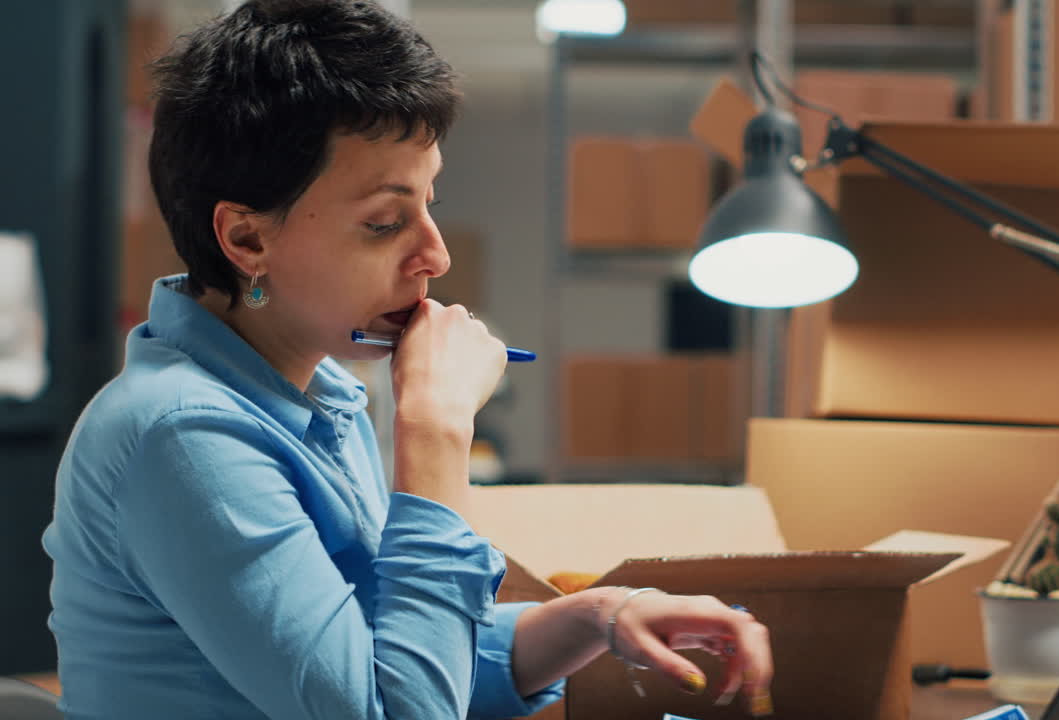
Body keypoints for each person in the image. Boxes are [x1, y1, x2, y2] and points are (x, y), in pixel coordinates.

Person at [40, 1, 775, 718]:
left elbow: (414, 657)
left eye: (430, 202)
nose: (436, 253)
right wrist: (434, 431)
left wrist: (599, 616)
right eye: (386, 222)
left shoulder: (316, 394)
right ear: (247, 241)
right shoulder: (184, 435)